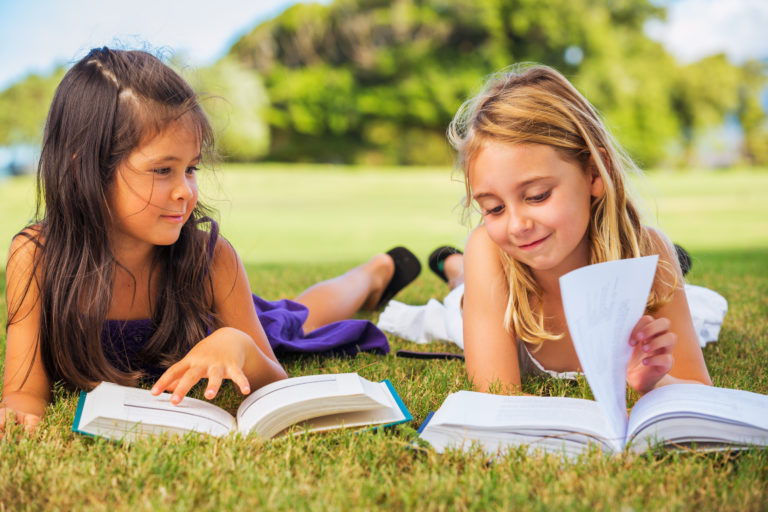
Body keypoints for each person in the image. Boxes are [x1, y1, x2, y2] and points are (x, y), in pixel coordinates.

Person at [0, 48, 420, 434]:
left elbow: (276, 382)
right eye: (162, 170)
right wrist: (20, 413)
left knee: (297, 321)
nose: (185, 191)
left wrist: (240, 346)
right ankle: (372, 273)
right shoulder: (36, 257)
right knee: (291, 315)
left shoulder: (209, 257)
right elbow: (22, 391)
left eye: (191, 169)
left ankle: (374, 273)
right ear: (85, 169)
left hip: (226, 330)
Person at [432, 64, 712, 394]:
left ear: (594, 174)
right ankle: (454, 266)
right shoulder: (488, 250)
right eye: (494, 208)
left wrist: (655, 381)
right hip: (484, 290)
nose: (517, 225)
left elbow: (698, 388)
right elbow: (496, 397)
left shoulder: (650, 254)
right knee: (460, 296)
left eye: (537, 196)